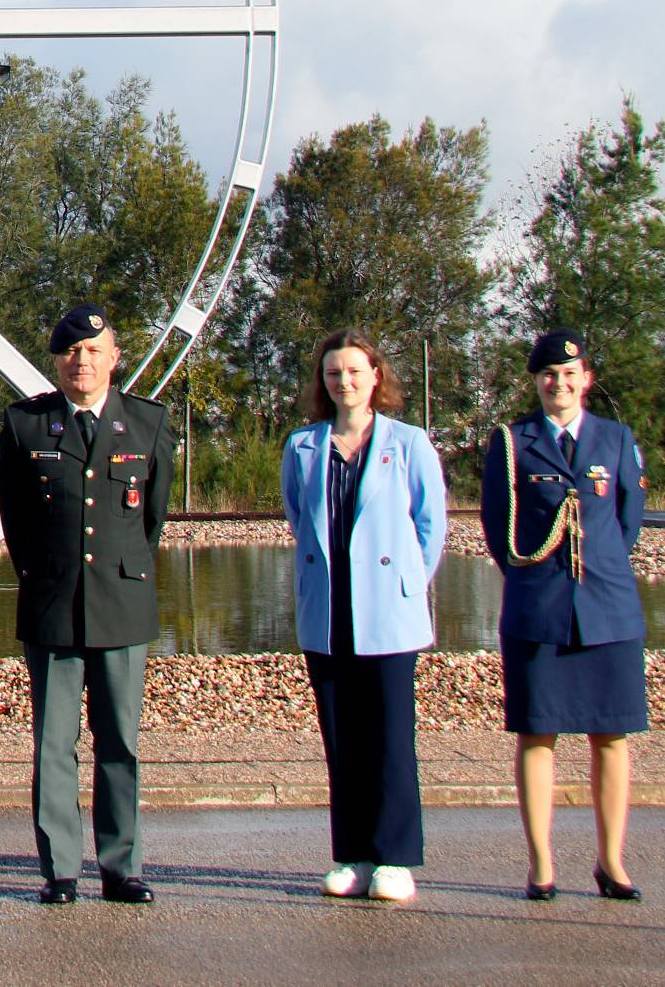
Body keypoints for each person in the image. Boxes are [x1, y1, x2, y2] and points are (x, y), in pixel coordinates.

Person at [0, 303, 173, 906]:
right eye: (71, 352)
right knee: (54, 742)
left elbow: (150, 522)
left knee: (120, 740)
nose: (82, 361)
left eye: (94, 351)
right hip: (51, 602)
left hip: (122, 604)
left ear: (114, 359)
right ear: (56, 361)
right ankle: (61, 869)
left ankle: (122, 866)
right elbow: (16, 520)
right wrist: (45, 575)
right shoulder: (25, 426)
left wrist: (119, 575)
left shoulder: (147, 424)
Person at [279, 330, 447, 904]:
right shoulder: (303, 446)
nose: (343, 382)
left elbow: (431, 525)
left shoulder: (410, 443)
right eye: (333, 373)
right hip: (328, 613)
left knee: (392, 739)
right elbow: (302, 521)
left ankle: (396, 858)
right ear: (322, 383)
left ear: (376, 376)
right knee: (341, 740)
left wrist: (404, 585)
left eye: (353, 371)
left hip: (388, 615)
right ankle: (352, 854)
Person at [481, 328, 649, 903]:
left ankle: (611, 862)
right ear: (536, 381)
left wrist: (592, 571)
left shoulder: (617, 440)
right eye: (549, 375)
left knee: (612, 737)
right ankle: (542, 865)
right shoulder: (512, 443)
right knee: (536, 735)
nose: (560, 383)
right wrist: (538, 580)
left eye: (570, 375)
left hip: (607, 609)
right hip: (539, 608)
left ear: (587, 380)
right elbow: (498, 529)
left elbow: (625, 523)